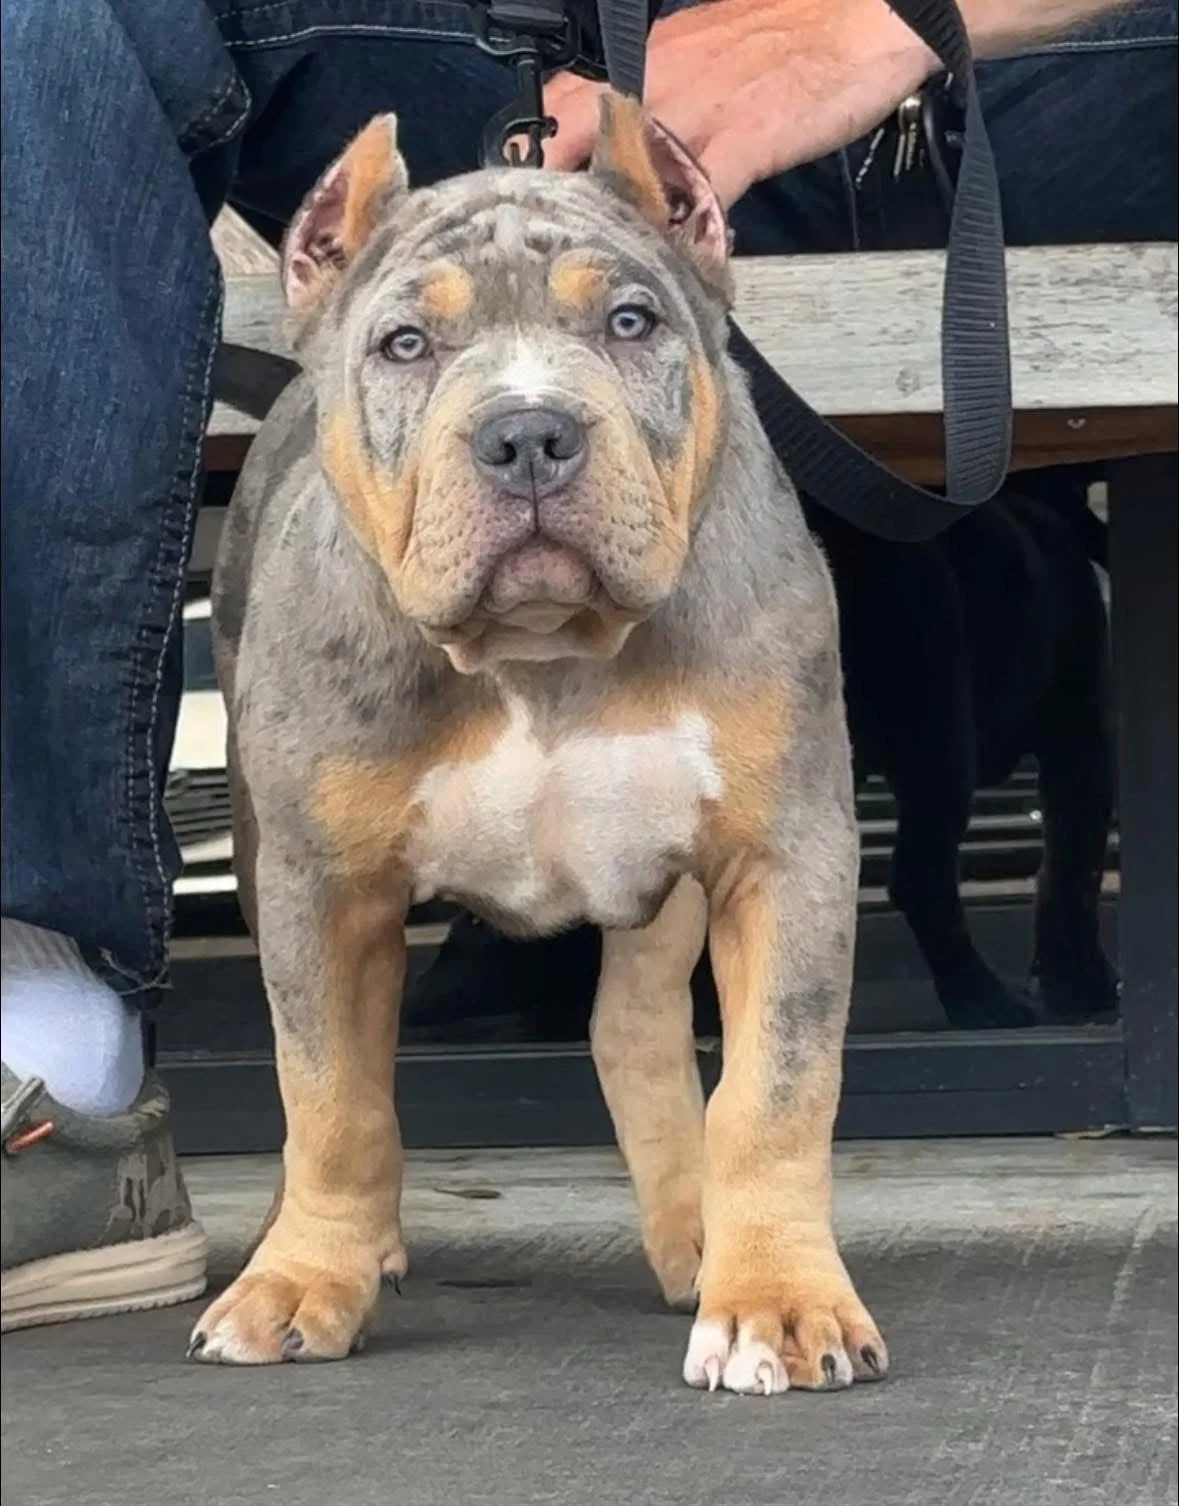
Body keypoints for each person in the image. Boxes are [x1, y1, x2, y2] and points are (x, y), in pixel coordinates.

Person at [1, 0, 1174, 1332]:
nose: (527, 444)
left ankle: (749, 1202)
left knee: (752, 829)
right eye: (400, 339)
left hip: (969, 83)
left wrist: (882, 20)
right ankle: (48, 1047)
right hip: (479, 53)